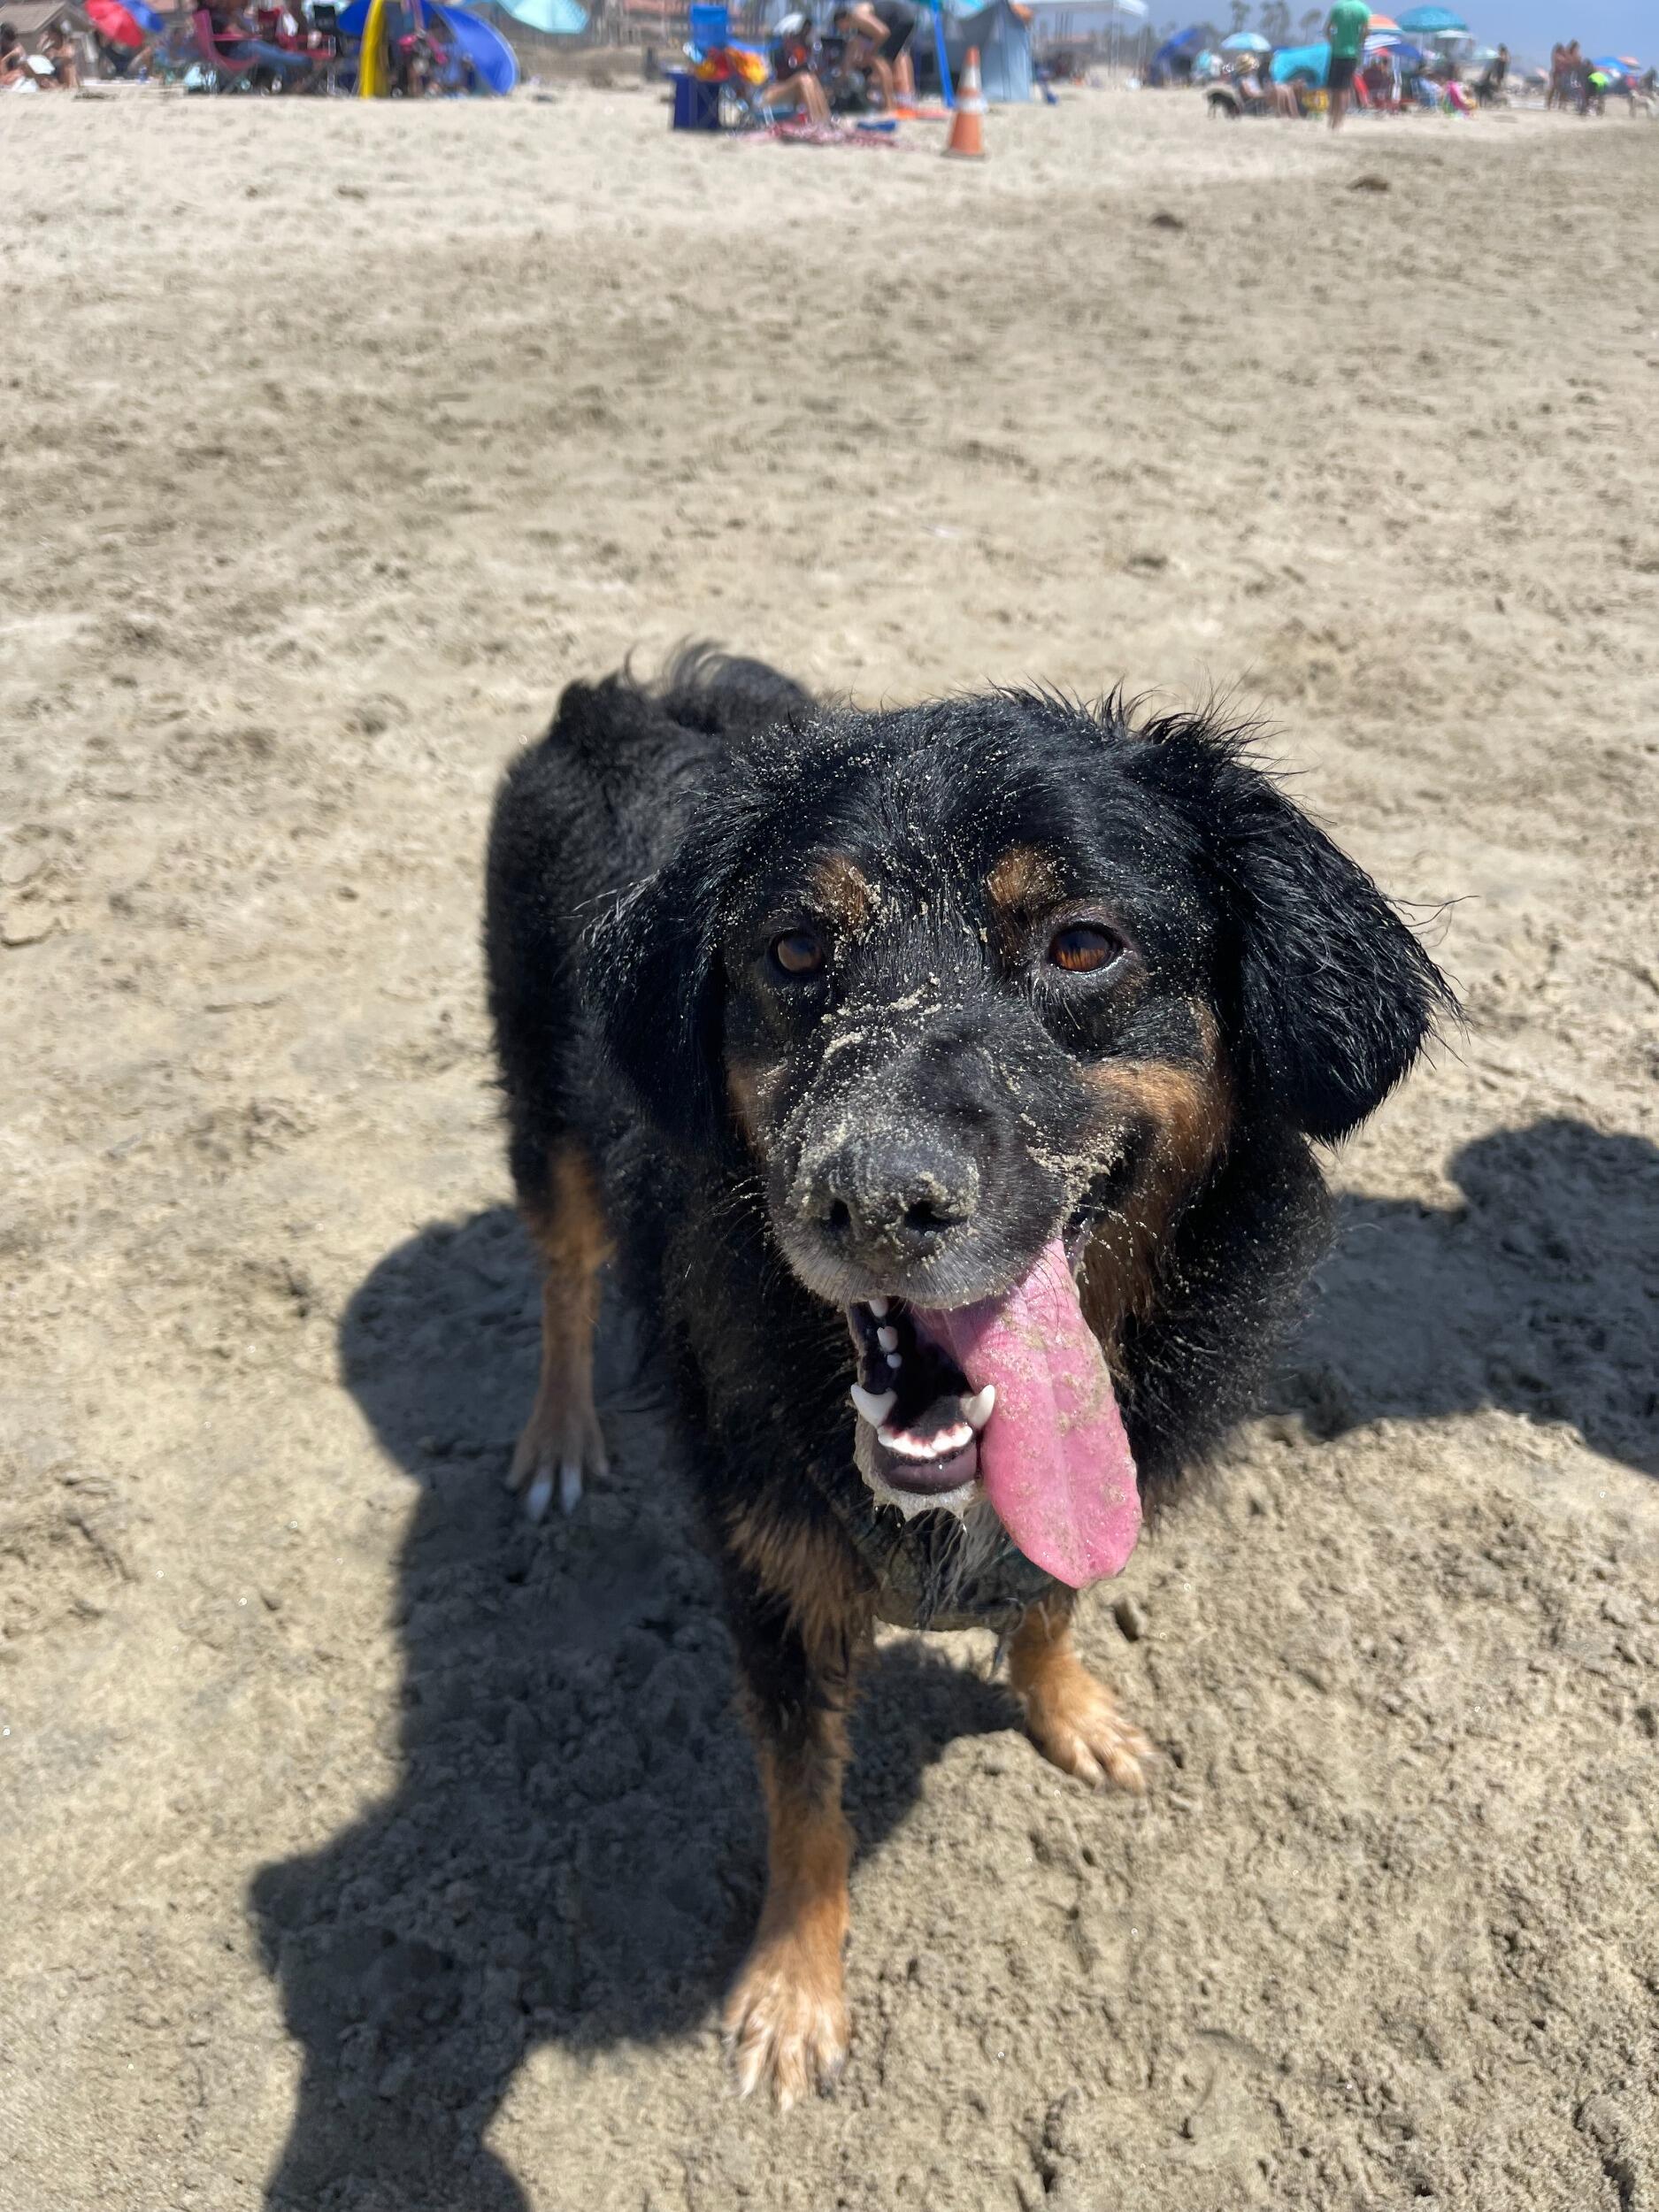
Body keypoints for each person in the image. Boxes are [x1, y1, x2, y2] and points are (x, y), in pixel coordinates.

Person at [761, 10, 829, 123]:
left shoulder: (801, 52)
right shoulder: (776, 52)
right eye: (795, 36)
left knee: (811, 79)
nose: (798, 40)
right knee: (803, 78)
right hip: (771, 92)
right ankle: (815, 121)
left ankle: (825, 119)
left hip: (789, 89)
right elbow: (770, 78)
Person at [1323, 0, 1368, 128]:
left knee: (1334, 88)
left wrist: (1334, 43)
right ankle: (1339, 121)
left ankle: (1331, 121)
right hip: (1351, 53)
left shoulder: (1337, 7)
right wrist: (1359, 42)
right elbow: (1367, 30)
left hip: (1336, 52)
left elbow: (1327, 30)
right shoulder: (1361, 8)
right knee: (1345, 88)